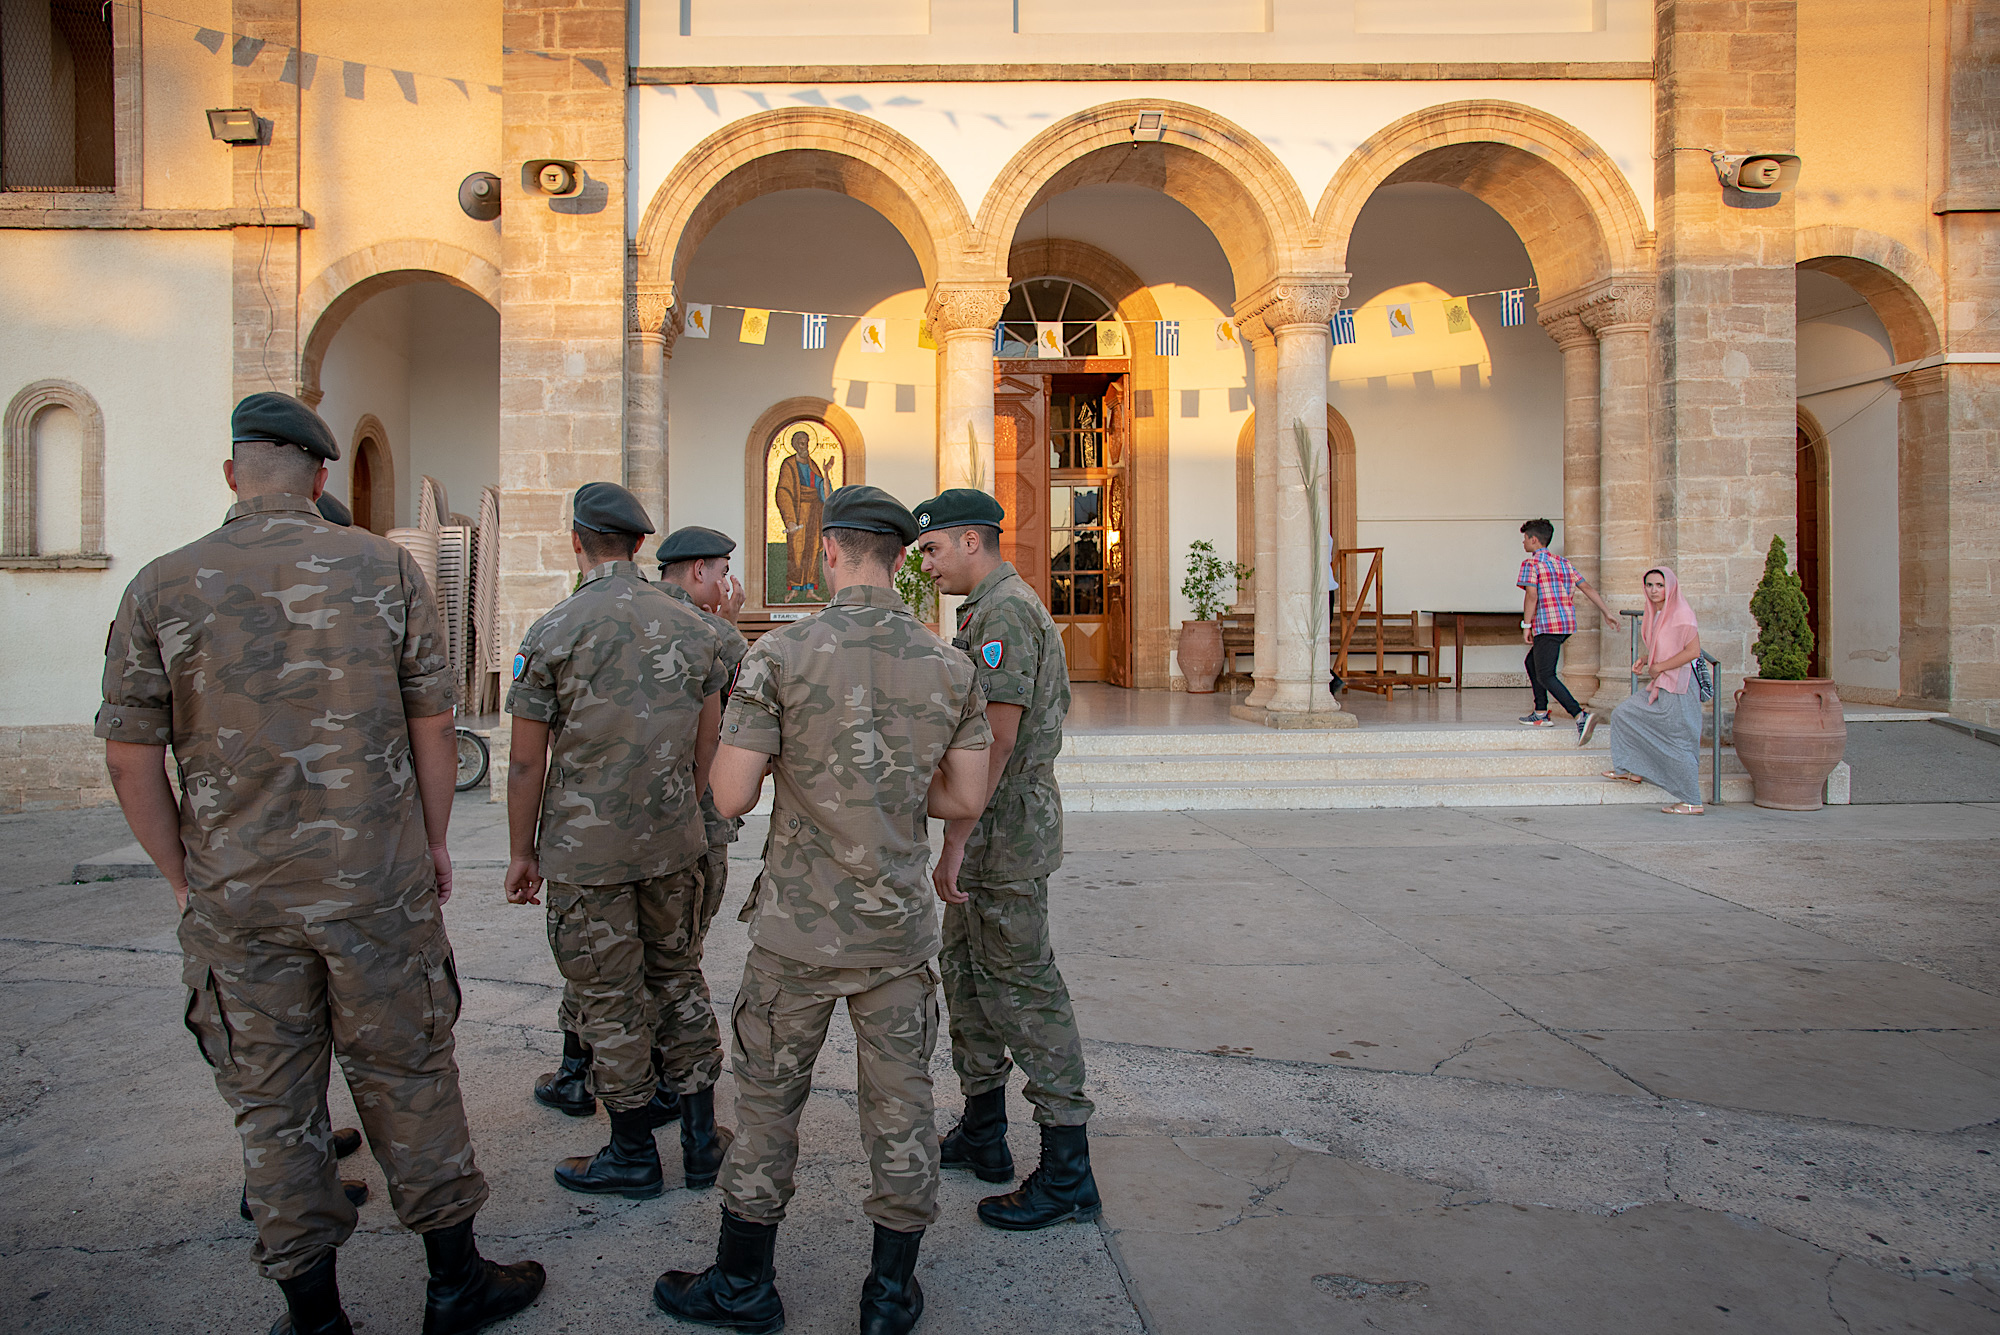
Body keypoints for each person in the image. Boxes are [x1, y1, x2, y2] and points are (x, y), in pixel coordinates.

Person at [99, 391, 542, 1335]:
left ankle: (314, 1314)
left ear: (231, 473)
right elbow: (436, 723)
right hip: (376, 888)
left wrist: (185, 876)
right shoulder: (383, 567)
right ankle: (454, 1284)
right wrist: (428, 845)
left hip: (238, 902)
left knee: (274, 1099)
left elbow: (129, 756)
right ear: (322, 475)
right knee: (411, 1072)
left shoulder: (161, 584)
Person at [653, 485, 991, 1335]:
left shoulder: (777, 655)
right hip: (896, 934)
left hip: (797, 933)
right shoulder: (949, 664)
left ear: (830, 551)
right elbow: (964, 797)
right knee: (903, 1109)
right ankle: (888, 1295)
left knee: (768, 1104)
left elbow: (729, 795)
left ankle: (743, 1286)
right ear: (902, 558)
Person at [505, 484, 734, 1199]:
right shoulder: (694, 627)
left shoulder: (553, 629)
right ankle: (700, 1140)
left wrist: (522, 851)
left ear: (577, 540)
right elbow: (707, 747)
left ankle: (632, 1150)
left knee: (608, 996)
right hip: (673, 844)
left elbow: (523, 761)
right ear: (640, 546)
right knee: (676, 978)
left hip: (586, 853)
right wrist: (679, 816)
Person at [913, 488, 1102, 1232]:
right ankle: (984, 1129)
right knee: (968, 975)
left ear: (969, 540)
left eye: (931, 549)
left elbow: (997, 737)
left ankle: (1067, 1169)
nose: (924, 563)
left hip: (1002, 828)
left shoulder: (1004, 613)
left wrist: (957, 834)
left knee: (1023, 986)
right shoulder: (987, 609)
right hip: (990, 825)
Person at [1606, 567, 1708, 815]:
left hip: (1680, 686)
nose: (1654, 591)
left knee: (1680, 740)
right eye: (1649, 585)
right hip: (1663, 682)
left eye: (1660, 585)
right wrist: (1646, 659)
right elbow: (1667, 647)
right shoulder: (1658, 613)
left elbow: (1692, 651)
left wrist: (1659, 666)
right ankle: (1633, 769)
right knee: (1625, 714)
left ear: (1670, 587)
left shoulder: (1681, 613)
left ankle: (1692, 801)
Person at [1516, 518, 1618, 742]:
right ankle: (1540, 713)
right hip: (1565, 624)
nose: (1523, 543)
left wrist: (1526, 625)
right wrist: (1606, 612)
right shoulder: (1563, 563)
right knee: (1532, 663)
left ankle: (1580, 715)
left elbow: (1531, 595)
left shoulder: (1531, 564)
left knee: (1546, 674)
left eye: (1525, 539)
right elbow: (1587, 588)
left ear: (1534, 540)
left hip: (1547, 624)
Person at [773, 428, 831, 600]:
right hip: (798, 513)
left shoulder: (813, 465)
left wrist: (826, 472)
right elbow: (783, 491)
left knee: (813, 549)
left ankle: (811, 589)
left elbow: (825, 492)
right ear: (794, 445)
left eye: (806, 442)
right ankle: (794, 588)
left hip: (814, 513)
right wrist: (790, 520)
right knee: (796, 550)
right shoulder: (788, 464)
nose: (803, 445)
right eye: (800, 442)